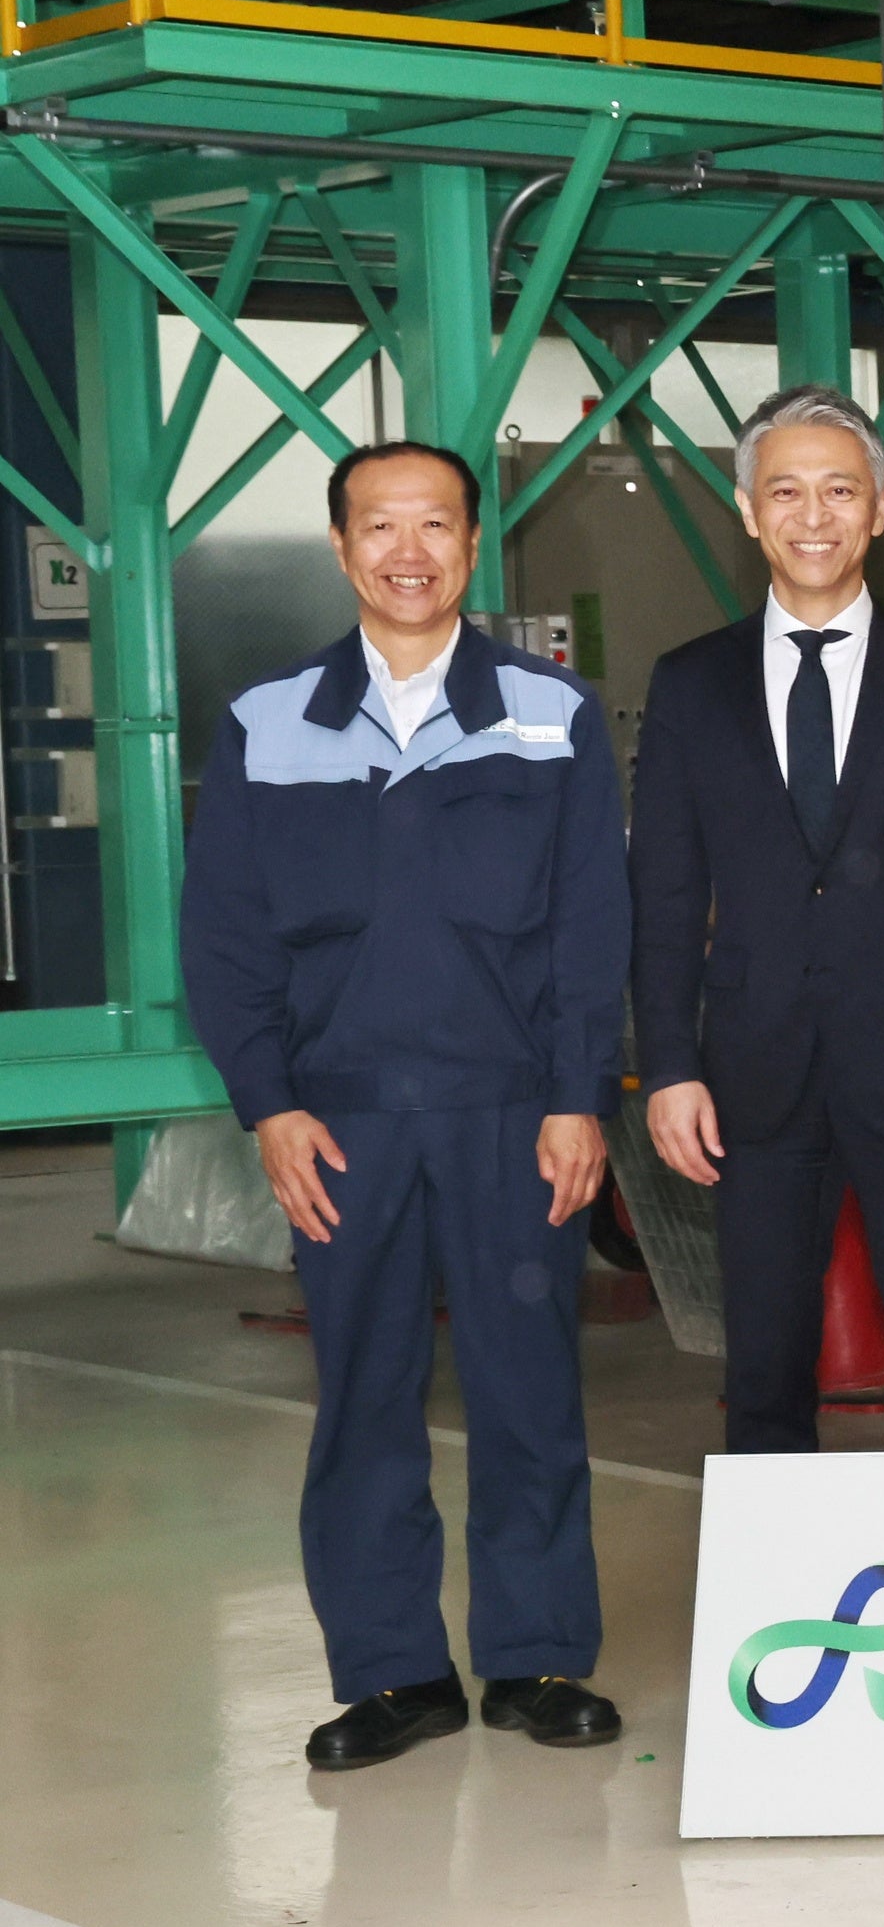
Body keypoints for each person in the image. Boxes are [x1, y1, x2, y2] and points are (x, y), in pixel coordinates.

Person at [181, 441, 627, 1769]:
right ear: (341, 546)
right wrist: (268, 1102)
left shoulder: (552, 713)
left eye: (436, 524)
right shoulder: (267, 722)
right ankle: (391, 1674)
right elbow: (226, 934)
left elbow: (589, 927)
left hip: (512, 1114)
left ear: (474, 545)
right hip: (344, 1121)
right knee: (363, 1398)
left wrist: (577, 1095)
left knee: (527, 1387)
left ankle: (538, 1656)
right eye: (380, 526)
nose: (408, 551)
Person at [630, 387, 884, 1457]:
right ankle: (776, 1566)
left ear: (879, 510)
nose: (813, 516)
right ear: (748, 510)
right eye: (786, 491)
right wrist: (669, 1067)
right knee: (761, 1369)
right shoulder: (690, 684)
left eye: (840, 491)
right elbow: (664, 895)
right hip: (750, 1077)